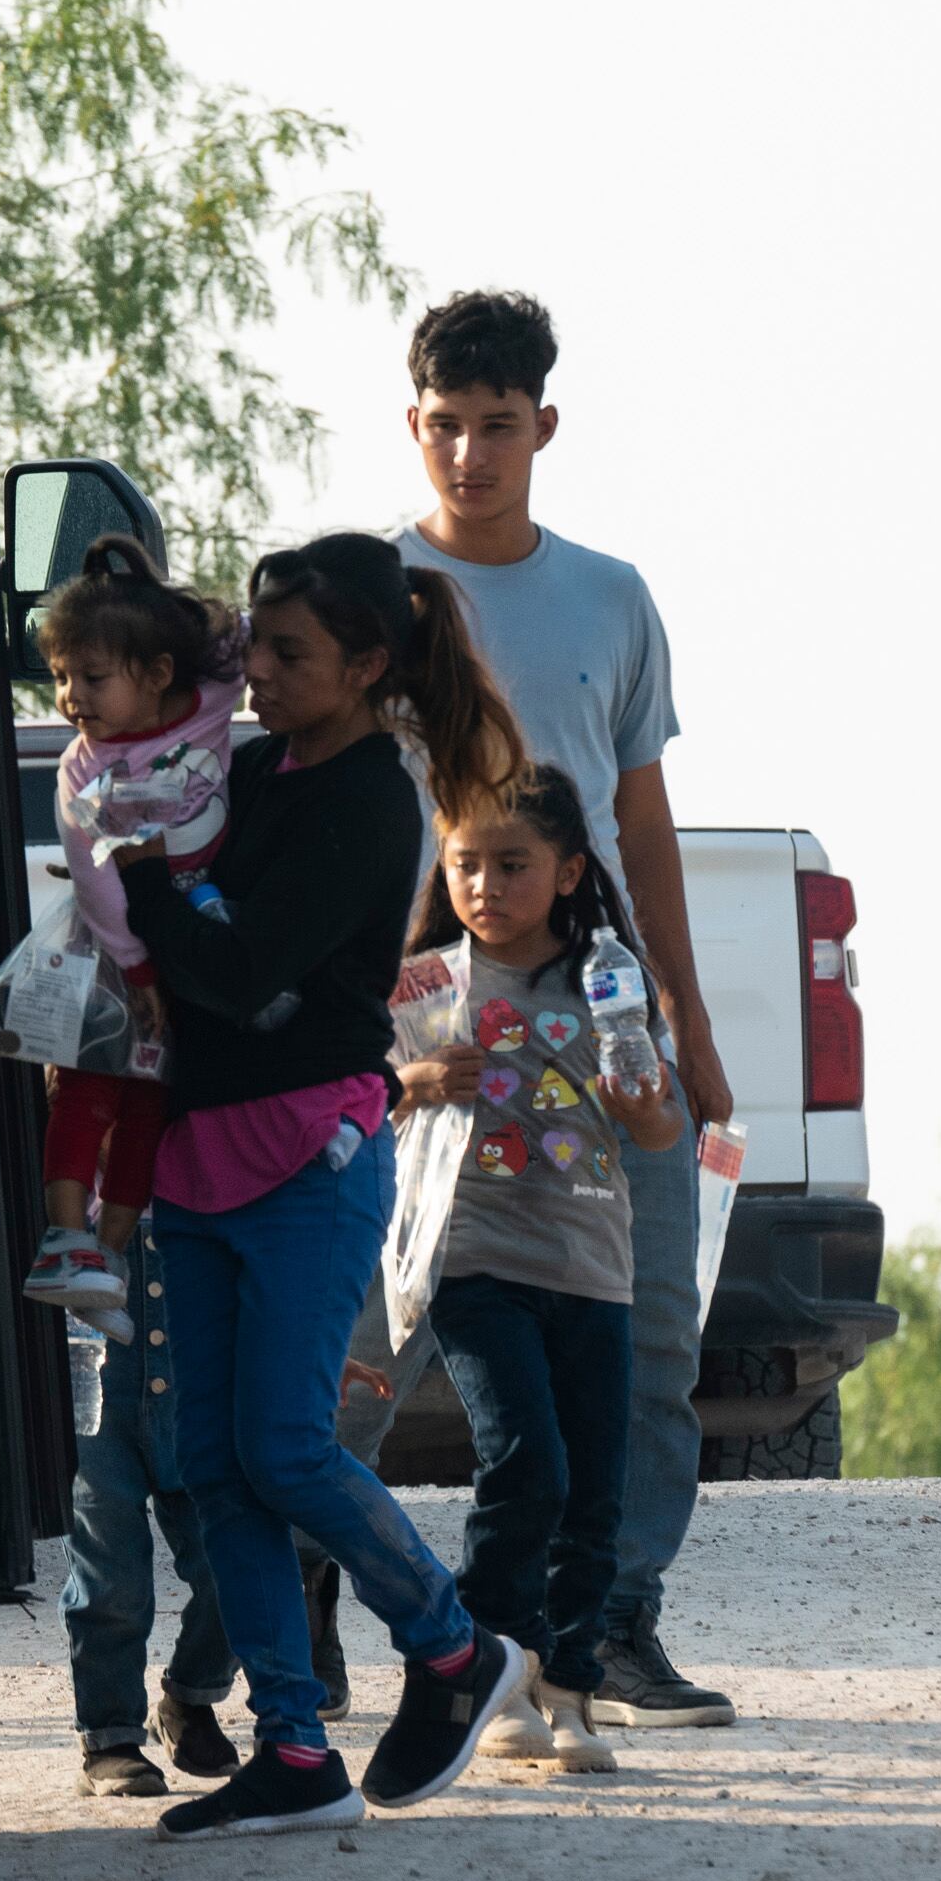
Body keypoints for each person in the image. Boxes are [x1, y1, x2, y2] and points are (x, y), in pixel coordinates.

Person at [121, 534, 535, 1839]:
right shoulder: (246, 773)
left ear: (366, 663)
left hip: (309, 1160)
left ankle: (456, 1646)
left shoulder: (372, 798)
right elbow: (190, 936)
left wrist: (139, 877)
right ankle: (292, 1747)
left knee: (288, 1444)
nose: (263, 677)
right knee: (217, 1464)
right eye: (257, 647)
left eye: (292, 654)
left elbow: (235, 971)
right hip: (196, 1155)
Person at [393, 288, 738, 1730]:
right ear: (413, 425)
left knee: (649, 1331)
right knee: (374, 1333)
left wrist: (688, 1018)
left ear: (545, 425)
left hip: (600, 1013)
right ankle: (312, 1630)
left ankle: (612, 1624)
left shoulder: (611, 596)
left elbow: (642, 820)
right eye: (446, 426)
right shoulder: (373, 592)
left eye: (497, 425)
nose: (471, 453)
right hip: (425, 1012)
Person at [382, 768, 671, 1770]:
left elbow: (658, 1119)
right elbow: (363, 1100)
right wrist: (413, 1079)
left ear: (568, 870)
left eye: (512, 864)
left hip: (591, 1263)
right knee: (524, 1459)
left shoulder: (606, 979)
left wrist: (636, 1095)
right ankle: (489, 1667)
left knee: (593, 1485)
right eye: (466, 862)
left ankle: (570, 1690)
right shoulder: (426, 980)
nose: (485, 883)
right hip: (473, 1259)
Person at [21, 537, 241, 1316]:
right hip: (116, 954)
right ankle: (64, 1240)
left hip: (184, 940)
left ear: (156, 675)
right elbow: (95, 879)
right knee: (87, 1087)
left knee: (152, 1102)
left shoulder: (211, 702)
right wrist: (140, 970)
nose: (73, 697)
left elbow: (239, 635)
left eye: (92, 677)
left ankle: (110, 1256)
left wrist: (155, 591)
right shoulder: (81, 768)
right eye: (61, 678)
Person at [65, 1234, 240, 1794]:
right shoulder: (71, 1188)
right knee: (111, 1574)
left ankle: (190, 1696)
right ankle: (110, 1734)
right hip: (94, 1393)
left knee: (233, 1560)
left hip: (200, 1391)